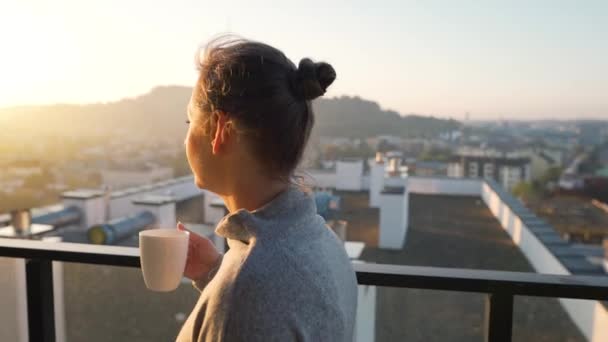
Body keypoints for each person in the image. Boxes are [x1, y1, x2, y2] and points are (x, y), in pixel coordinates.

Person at [175, 36, 358, 342]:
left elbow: (254, 308)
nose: (185, 139)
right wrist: (217, 274)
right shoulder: (321, 240)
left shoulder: (247, 291)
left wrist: (232, 285)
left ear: (221, 130)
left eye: (189, 121)